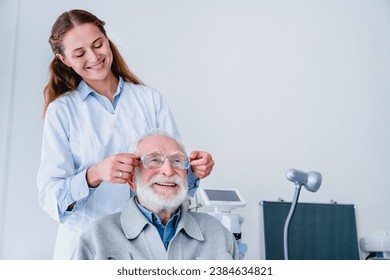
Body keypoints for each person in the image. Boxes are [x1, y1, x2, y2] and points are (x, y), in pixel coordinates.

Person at [37, 9, 214, 259]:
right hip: (85, 248)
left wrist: (194, 171)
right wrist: (94, 175)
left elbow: (175, 178)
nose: (94, 57)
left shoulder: (150, 100)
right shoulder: (61, 111)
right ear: (64, 59)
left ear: (107, 40)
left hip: (145, 247)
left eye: (98, 44)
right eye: (79, 53)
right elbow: (51, 200)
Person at [71, 131, 239, 260]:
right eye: (154, 160)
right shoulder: (97, 237)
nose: (168, 170)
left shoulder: (218, 233)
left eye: (177, 161)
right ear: (132, 179)